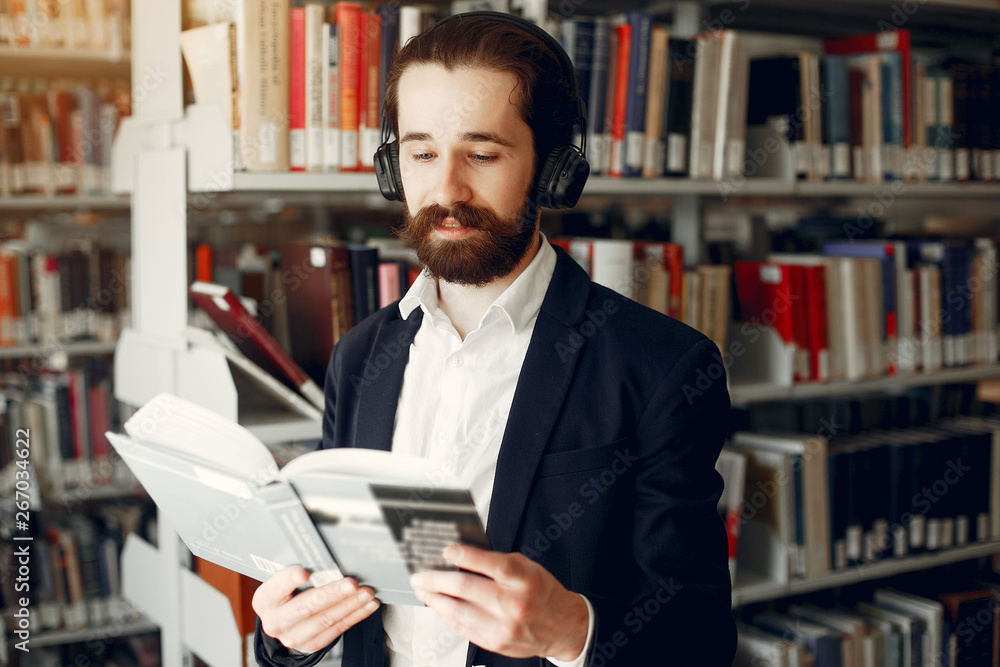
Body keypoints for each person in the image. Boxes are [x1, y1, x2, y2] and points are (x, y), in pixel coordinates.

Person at [253, 11, 735, 667]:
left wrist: (573, 630)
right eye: (421, 153)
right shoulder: (361, 355)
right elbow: (329, 583)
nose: (446, 189)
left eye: (482, 154)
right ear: (393, 170)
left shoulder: (659, 367)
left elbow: (699, 638)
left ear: (554, 171)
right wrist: (287, 637)